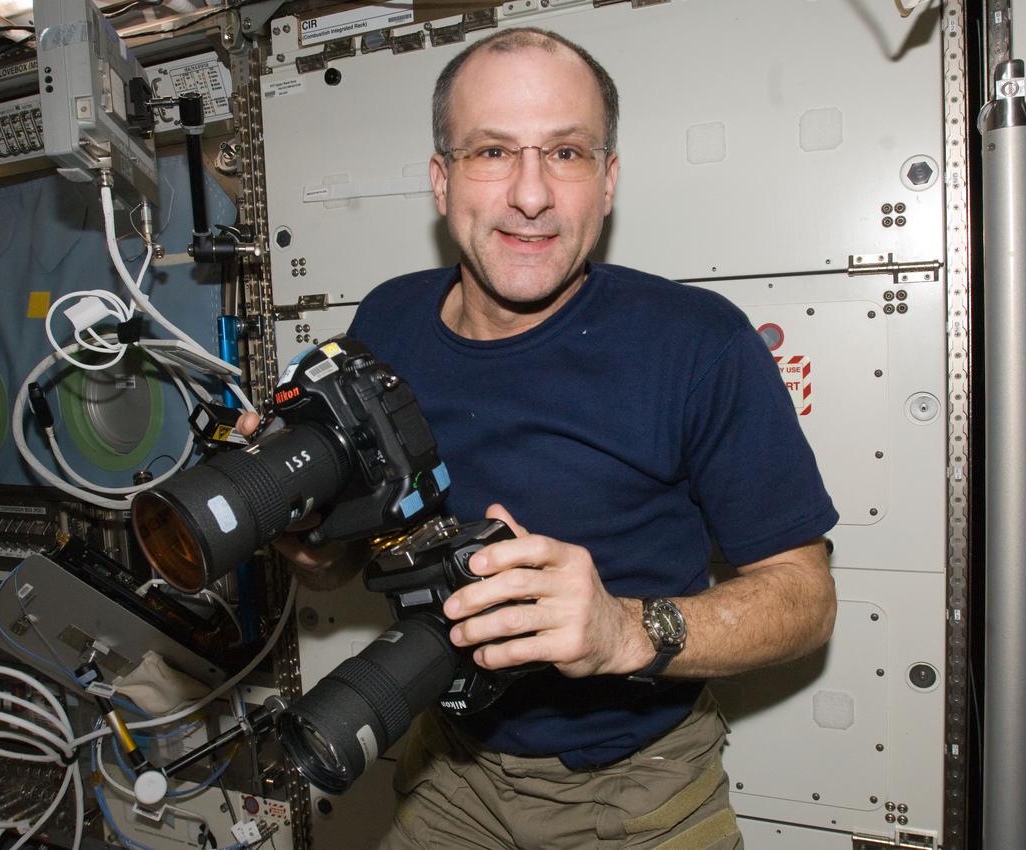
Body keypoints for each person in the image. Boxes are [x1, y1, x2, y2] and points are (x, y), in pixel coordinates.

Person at [242, 26, 837, 849]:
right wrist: (297, 523)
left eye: (566, 154)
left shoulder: (698, 344)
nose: (531, 194)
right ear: (442, 182)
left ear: (608, 180)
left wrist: (627, 631)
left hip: (637, 792)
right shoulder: (388, 321)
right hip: (446, 769)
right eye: (492, 152)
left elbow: (805, 599)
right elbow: (341, 557)